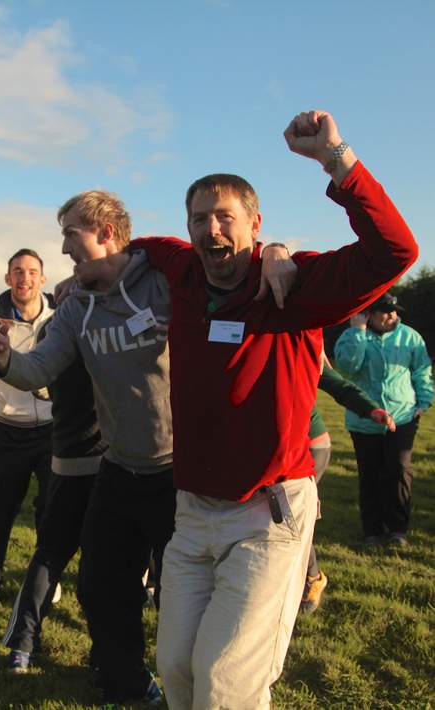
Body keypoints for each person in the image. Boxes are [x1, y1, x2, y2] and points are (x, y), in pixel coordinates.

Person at [125, 109, 417, 709]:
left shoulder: (291, 287)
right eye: (200, 219)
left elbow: (395, 249)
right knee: (177, 670)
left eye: (226, 218)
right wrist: (95, 269)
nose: (212, 231)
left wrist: (336, 160)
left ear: (255, 225)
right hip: (192, 514)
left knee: (225, 682)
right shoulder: (183, 272)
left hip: (266, 514)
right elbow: (146, 245)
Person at [0, 191, 294, 706]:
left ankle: (189, 686)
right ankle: (126, 684)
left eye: (71, 234)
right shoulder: (75, 306)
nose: (63, 248)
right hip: (118, 469)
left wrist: (275, 249)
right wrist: (5, 357)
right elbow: (40, 368)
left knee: (180, 593)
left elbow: (229, 259)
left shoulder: (167, 281)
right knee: (100, 587)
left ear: (105, 232)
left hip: (179, 472)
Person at [2, 351, 106, 672]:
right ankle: (104, 653)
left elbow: (39, 384)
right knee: (97, 562)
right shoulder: (104, 319)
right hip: (101, 460)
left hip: (68, 455)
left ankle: (23, 643)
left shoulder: (58, 325)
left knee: (51, 556)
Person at [0, 249, 55, 608]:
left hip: (54, 431)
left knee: (51, 512)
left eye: (32, 272)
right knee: (2, 511)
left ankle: (48, 581)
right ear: (8, 278)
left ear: (43, 278)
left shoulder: (61, 315)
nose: (25, 278)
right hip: (8, 429)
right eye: (17, 272)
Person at [335, 292, 432, 547]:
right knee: (369, 475)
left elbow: (422, 369)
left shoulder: (409, 336)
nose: (392, 317)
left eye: (394, 311)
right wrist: (358, 332)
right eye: (386, 312)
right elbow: (347, 368)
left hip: (402, 416)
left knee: (398, 471)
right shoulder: (350, 336)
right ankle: (373, 532)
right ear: (369, 314)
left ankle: (398, 530)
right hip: (364, 420)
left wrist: (424, 401)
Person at [302, 361, 395, 613]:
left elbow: (337, 384)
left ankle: (312, 578)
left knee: (289, 515)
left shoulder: (301, 337)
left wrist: (370, 409)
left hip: (309, 446)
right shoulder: (237, 336)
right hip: (263, 446)